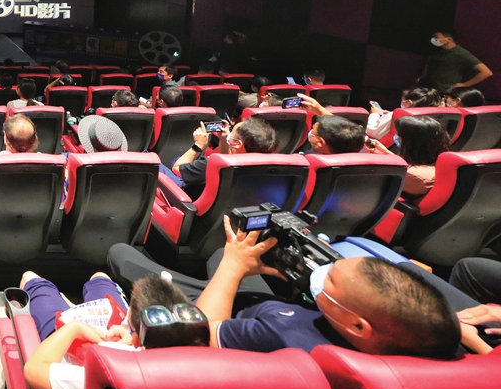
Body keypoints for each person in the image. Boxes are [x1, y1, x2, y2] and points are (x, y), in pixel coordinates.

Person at [192, 216, 462, 358]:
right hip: (270, 308)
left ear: (358, 326)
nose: (323, 272)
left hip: (220, 320)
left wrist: (233, 266)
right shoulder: (436, 343)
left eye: (331, 277)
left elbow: (199, 336)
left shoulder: (282, 335)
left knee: (217, 260)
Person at [21, 272, 205, 389]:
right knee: (100, 277)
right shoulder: (202, 367)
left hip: (68, 348)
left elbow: (33, 371)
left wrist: (74, 328)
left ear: (136, 338)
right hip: (118, 341)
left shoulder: (109, 372)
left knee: (30, 277)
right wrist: (130, 341)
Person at [168, 117, 278, 198]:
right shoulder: (268, 168)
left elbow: (177, 168)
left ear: (237, 143)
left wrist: (198, 146)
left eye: (232, 133)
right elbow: (227, 160)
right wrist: (224, 139)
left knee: (170, 164)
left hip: (188, 199)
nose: (230, 133)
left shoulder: (210, 164)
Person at [393, 114, 451, 202]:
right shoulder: (444, 164)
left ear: (411, 144)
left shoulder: (413, 176)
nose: (396, 137)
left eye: (399, 136)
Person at [421, 29, 492, 93]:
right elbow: (429, 63)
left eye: (437, 38)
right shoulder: (437, 51)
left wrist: (465, 84)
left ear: (448, 39)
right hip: (430, 90)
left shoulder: (461, 53)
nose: (434, 39)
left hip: (446, 92)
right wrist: (423, 76)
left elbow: (486, 72)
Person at [366, 87, 442, 140]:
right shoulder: (435, 117)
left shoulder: (395, 116)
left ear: (409, 102)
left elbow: (371, 131)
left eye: (403, 100)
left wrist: (374, 114)